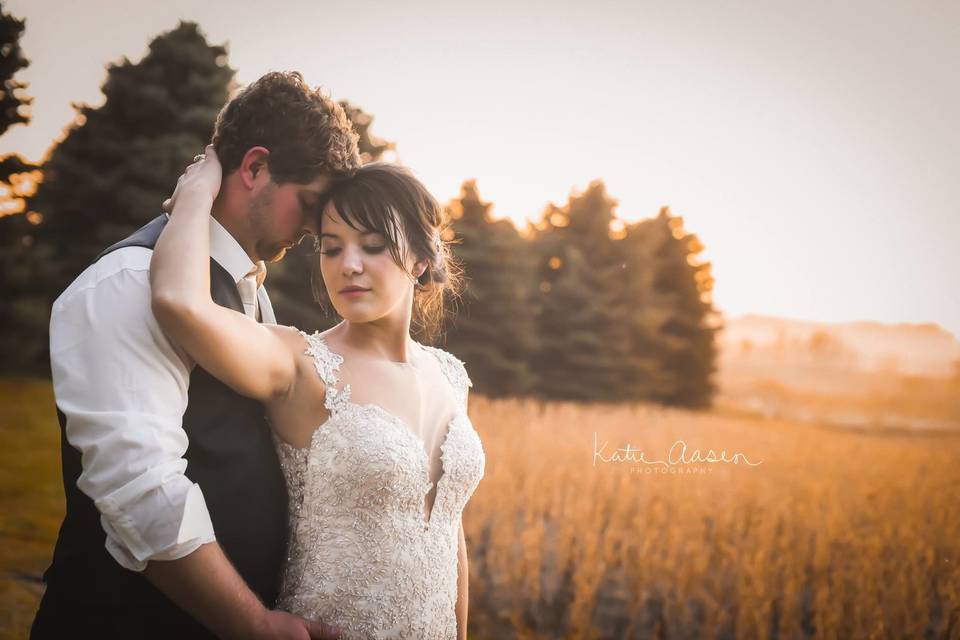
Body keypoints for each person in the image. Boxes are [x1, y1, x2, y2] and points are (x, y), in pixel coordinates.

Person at [31, 71, 360, 640]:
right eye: (308, 203)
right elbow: (139, 487)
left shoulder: (252, 294)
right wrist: (252, 623)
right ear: (254, 168)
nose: (314, 228)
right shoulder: (125, 283)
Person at [148, 148, 486, 640]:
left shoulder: (450, 375)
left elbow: (448, 528)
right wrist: (195, 196)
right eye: (331, 247)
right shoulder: (299, 364)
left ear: (420, 258)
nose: (348, 265)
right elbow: (178, 302)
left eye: (372, 245)